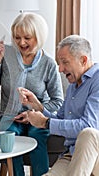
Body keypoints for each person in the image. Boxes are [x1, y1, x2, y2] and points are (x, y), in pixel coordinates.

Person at [0, 12, 64, 176]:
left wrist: (32, 112)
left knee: (37, 137)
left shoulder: (48, 63)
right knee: (9, 139)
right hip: (10, 115)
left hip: (37, 116)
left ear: (39, 36)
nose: (21, 42)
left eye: (27, 38)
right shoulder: (6, 55)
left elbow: (57, 102)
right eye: (17, 37)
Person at [20, 35, 99, 175]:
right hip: (72, 155)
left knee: (88, 133)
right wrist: (38, 107)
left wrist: (46, 123)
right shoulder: (73, 87)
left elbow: (88, 125)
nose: (60, 69)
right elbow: (61, 119)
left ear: (83, 60)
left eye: (65, 62)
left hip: (95, 155)